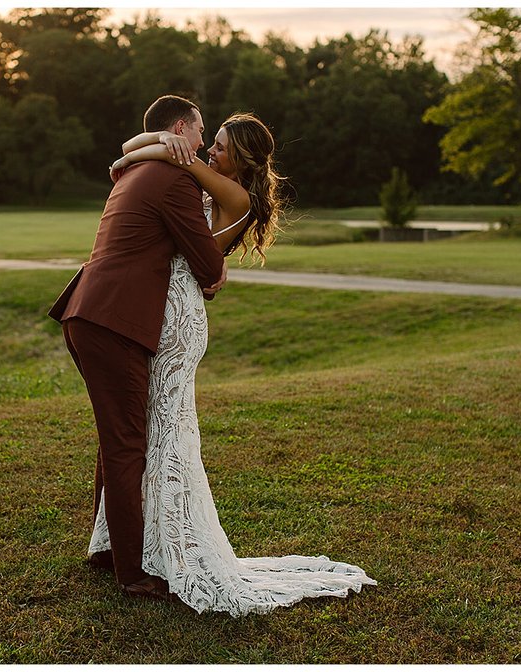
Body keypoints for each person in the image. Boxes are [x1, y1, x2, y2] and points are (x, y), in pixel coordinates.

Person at [91, 112, 377, 616]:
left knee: (161, 433)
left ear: (240, 159)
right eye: (209, 141)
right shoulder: (207, 179)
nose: (209, 152)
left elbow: (136, 159)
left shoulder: (234, 196)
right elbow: (127, 153)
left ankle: (157, 549)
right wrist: (160, 139)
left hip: (176, 317)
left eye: (220, 147)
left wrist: (163, 146)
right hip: (160, 306)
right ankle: (137, 545)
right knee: (145, 432)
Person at [48, 95, 228, 602]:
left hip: (90, 312)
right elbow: (209, 266)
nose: (202, 143)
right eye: (200, 131)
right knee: (129, 444)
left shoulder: (136, 169)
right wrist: (213, 276)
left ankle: (108, 549)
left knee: (116, 438)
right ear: (179, 127)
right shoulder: (173, 179)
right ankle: (132, 573)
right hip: (114, 323)